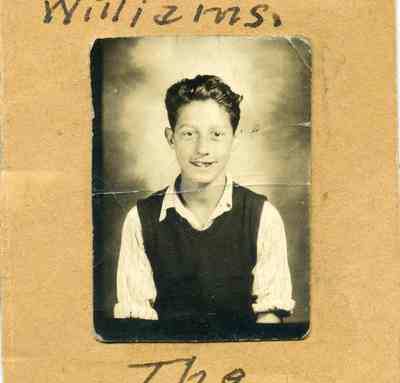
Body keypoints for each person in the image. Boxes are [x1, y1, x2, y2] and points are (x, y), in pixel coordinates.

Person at [114, 75, 295, 327]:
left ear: (234, 138)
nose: (202, 149)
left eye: (216, 134)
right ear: (170, 138)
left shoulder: (263, 216)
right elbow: (135, 327)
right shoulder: (140, 220)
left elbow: (269, 320)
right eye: (189, 134)